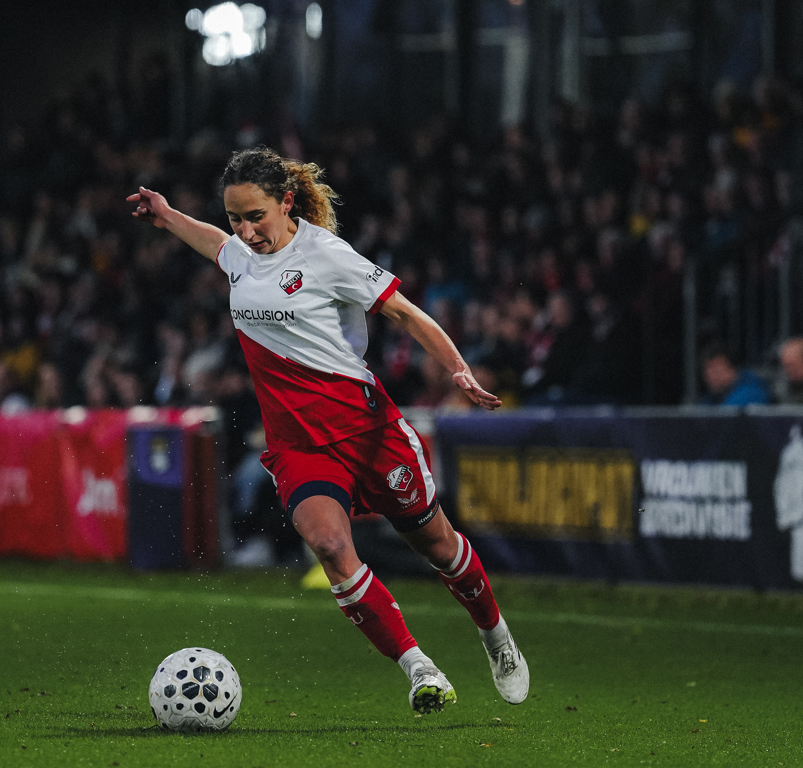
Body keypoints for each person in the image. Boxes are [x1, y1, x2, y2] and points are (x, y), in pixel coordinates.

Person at [127, 147, 528, 713]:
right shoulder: (240, 252)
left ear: (286, 202)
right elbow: (216, 245)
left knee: (436, 545)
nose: (244, 230)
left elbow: (407, 313)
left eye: (255, 216)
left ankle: (496, 637)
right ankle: (420, 668)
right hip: (299, 447)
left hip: (367, 431)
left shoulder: (326, 255)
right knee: (332, 547)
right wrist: (167, 216)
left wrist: (457, 368)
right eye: (236, 217)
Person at [699, 343, 770, 406]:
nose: (711, 377)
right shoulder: (711, 399)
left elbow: (725, 417)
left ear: (733, 369)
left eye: (716, 372)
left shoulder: (753, 393)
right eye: (707, 373)